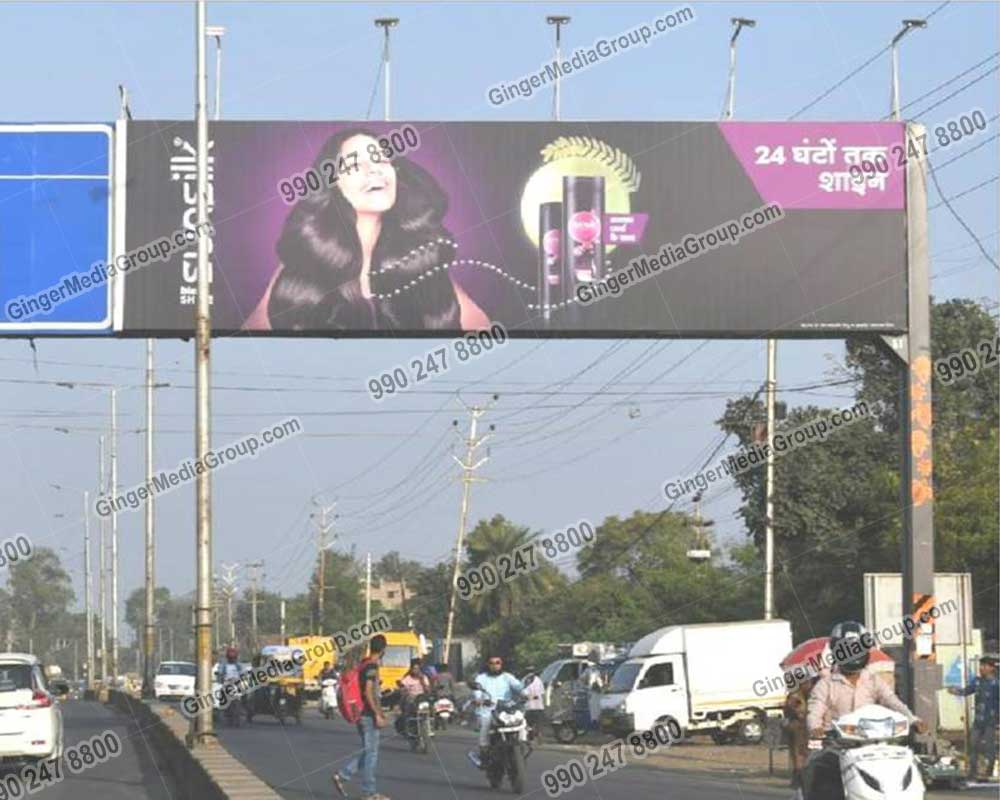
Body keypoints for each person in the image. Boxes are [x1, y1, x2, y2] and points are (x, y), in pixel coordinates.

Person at [254, 128, 488, 333]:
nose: (374, 170)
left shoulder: (420, 263)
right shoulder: (305, 265)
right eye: (355, 165)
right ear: (333, 184)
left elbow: (483, 332)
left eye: (381, 160)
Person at [805, 622, 926, 798]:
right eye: (846, 649)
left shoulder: (873, 680)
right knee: (821, 772)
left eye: (857, 649)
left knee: (907, 765)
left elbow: (892, 702)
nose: (852, 654)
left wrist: (913, 720)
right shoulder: (826, 684)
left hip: (873, 745)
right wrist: (815, 728)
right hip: (837, 746)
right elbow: (815, 710)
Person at [333, 635, 389, 800]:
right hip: (367, 714)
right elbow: (368, 692)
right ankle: (369, 792)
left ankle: (342, 775)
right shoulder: (371, 666)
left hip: (360, 713)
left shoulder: (363, 664)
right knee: (371, 754)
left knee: (369, 752)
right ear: (383, 649)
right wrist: (377, 713)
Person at [467, 654, 525, 770]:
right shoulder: (481, 678)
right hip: (488, 710)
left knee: (522, 721)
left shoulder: (507, 677)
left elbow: (519, 687)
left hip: (506, 710)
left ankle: (522, 744)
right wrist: (478, 699)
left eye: (497, 663)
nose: (495, 665)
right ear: (488, 665)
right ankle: (484, 756)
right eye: (492, 663)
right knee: (485, 725)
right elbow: (477, 691)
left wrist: (526, 693)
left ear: (501, 664)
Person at [949, 653, 999, 780]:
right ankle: (972, 771)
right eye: (981, 666)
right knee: (973, 745)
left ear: (991, 668)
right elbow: (967, 691)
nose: (981, 668)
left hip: (990, 719)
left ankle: (988, 771)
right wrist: (956, 691)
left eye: (984, 666)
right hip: (978, 720)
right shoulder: (977, 681)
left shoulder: (996, 683)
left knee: (989, 746)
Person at [783, 673, 820, 799]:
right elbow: (798, 712)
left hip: (808, 731)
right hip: (799, 731)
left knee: (811, 755)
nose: (809, 685)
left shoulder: (811, 695)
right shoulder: (795, 697)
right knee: (800, 756)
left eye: (810, 683)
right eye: (807, 683)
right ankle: (799, 780)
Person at [395, 658, 431, 735]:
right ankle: (407, 726)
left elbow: (428, 690)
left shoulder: (424, 677)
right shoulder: (407, 678)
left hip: (421, 699)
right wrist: (404, 690)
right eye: (414, 669)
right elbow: (402, 688)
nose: (415, 670)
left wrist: (422, 681)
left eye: (417, 669)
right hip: (411, 700)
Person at [522, 667, 546, 743]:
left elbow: (523, 693)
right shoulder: (539, 680)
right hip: (539, 706)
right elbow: (542, 693)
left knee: (529, 724)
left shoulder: (524, 680)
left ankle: (531, 737)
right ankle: (538, 734)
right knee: (538, 723)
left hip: (529, 707)